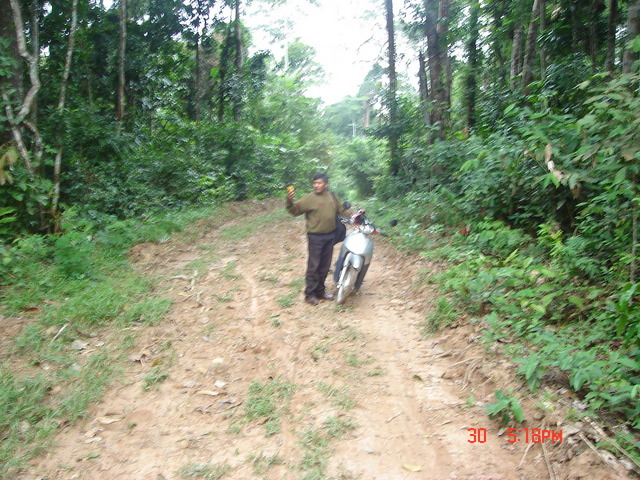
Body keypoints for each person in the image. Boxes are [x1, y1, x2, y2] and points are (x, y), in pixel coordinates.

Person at [286, 173, 349, 305]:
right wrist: (290, 201)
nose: (316, 185)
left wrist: (354, 217)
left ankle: (320, 291)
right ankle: (310, 294)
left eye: (319, 183)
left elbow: (341, 209)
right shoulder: (309, 198)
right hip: (315, 236)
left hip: (330, 235)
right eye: (314, 183)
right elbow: (295, 211)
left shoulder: (332, 196)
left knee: (325, 266)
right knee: (314, 266)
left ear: (326, 184)